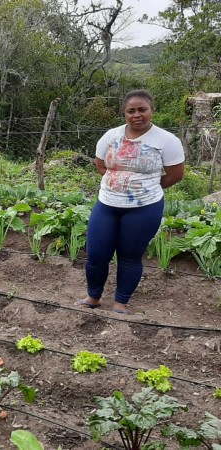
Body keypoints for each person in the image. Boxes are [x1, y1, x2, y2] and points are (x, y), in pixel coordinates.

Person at [77, 90, 185, 314]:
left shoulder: (166, 140)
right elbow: (100, 165)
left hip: (144, 208)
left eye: (142, 110)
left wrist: (145, 188)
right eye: (131, 111)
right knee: (96, 254)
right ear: (124, 113)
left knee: (129, 256)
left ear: (151, 110)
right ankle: (93, 296)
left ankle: (121, 302)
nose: (137, 115)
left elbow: (176, 175)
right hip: (107, 204)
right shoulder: (111, 136)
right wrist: (120, 185)